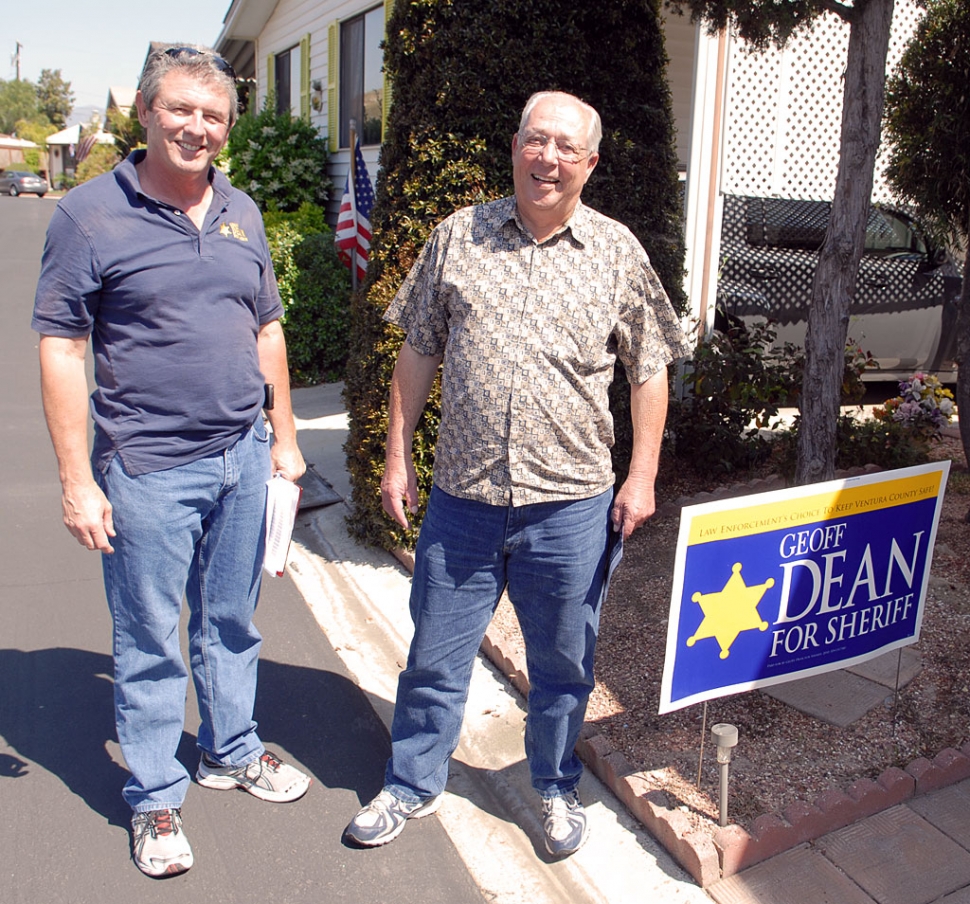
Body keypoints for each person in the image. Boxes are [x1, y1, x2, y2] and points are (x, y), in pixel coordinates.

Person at [344, 91, 691, 857]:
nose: (549, 159)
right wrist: (397, 455)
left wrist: (642, 477)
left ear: (591, 163)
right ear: (514, 146)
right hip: (463, 501)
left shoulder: (617, 251)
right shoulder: (457, 237)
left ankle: (557, 789)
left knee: (564, 666)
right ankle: (410, 782)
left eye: (567, 148)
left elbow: (650, 369)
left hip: (570, 506)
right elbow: (417, 353)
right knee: (435, 655)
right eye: (537, 141)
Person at [31, 45, 311, 878]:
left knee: (231, 622)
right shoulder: (88, 215)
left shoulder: (242, 211)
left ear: (229, 128)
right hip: (149, 469)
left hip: (242, 455)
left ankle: (231, 749)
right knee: (150, 638)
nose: (197, 126)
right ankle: (155, 797)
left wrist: (285, 438)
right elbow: (60, 345)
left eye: (214, 115)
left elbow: (266, 328)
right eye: (181, 109)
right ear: (147, 112)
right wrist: (77, 480)